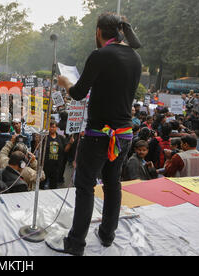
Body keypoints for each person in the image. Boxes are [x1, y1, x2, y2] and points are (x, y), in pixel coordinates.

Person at [57, 13, 142, 255]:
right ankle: (107, 235)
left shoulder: (99, 55)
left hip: (98, 136)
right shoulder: (135, 57)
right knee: (113, 184)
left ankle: (76, 243)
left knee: (85, 186)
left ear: (98, 32)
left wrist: (66, 83)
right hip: (124, 135)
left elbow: (79, 93)